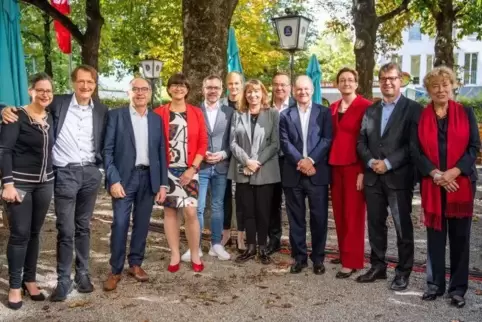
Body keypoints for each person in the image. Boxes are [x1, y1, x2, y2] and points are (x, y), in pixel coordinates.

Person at [1, 65, 108, 301]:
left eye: (90, 82)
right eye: (81, 81)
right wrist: (2, 109)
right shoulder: (57, 103)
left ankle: (82, 275)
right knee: (65, 229)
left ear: (95, 85)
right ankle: (63, 280)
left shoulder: (101, 110)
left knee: (83, 228)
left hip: (89, 174)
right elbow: (26, 109)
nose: (85, 86)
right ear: (73, 83)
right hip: (63, 174)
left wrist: (101, 170)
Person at [412, 66, 480, 308]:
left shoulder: (466, 112)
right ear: (428, 90)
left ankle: (458, 288)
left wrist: (454, 172)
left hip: (460, 183)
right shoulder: (420, 116)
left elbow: (473, 147)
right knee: (435, 237)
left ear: (452, 86)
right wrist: (436, 173)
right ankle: (434, 284)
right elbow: (415, 151)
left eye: (445, 84)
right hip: (433, 183)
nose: (441, 89)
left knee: (460, 238)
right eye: (435, 86)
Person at [356, 62, 422, 290]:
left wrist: (389, 163)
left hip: (399, 178)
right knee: (375, 224)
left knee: (402, 226)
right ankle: (378, 266)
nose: (387, 82)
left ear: (400, 80)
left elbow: (412, 145)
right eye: (383, 78)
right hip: (373, 177)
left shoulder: (413, 109)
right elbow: (361, 141)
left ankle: (403, 272)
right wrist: (371, 161)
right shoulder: (371, 110)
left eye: (392, 78)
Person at [102, 78, 168, 291]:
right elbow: (107, 151)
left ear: (149, 92)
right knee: (120, 223)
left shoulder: (156, 119)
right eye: (135, 89)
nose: (140, 93)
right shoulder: (115, 116)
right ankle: (115, 269)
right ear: (128, 92)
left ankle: (136, 264)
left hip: (148, 178)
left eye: (144, 89)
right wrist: (113, 179)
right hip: (123, 179)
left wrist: (163, 184)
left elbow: (161, 153)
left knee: (142, 223)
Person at [0, 73, 55, 309]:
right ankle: (14, 286)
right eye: (40, 90)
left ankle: (29, 280)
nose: (45, 94)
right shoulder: (16, 116)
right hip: (20, 184)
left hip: (45, 184)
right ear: (31, 90)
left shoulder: (52, 117)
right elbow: (4, 150)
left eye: (49, 91)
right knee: (19, 234)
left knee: (35, 233)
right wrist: (8, 184)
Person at [154, 73, 208, 273]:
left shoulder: (196, 113)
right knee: (170, 212)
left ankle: (194, 252)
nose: (178, 89)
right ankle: (175, 253)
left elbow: (203, 143)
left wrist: (192, 168)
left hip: (190, 169)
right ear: (168, 89)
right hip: (166, 170)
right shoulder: (159, 113)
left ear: (187, 89)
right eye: (174, 85)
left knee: (191, 212)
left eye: (182, 86)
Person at [279, 75, 332, 275]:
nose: (302, 92)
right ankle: (299, 258)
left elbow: (327, 139)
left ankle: (318, 258)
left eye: (306, 89)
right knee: (296, 219)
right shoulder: (285, 115)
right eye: (299, 89)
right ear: (294, 91)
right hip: (293, 173)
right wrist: (301, 162)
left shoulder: (324, 113)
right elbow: (284, 142)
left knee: (319, 218)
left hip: (317, 173)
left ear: (312, 90)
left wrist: (311, 161)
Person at [181, 75, 233, 262]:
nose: (213, 91)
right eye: (209, 87)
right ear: (203, 89)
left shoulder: (229, 112)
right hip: (199, 167)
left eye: (216, 88)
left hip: (221, 165)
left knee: (218, 206)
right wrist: (201, 155)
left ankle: (216, 244)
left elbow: (232, 140)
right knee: (198, 207)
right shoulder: (193, 111)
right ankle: (195, 246)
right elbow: (188, 139)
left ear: (221, 90)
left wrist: (223, 154)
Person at [227, 79, 280, 264]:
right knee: (247, 211)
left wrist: (256, 162)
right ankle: (250, 247)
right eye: (249, 91)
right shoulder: (238, 114)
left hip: (265, 170)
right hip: (243, 169)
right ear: (245, 94)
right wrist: (247, 161)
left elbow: (275, 143)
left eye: (256, 91)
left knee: (263, 211)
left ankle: (263, 248)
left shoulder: (272, 113)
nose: (253, 95)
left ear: (263, 93)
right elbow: (232, 143)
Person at [328, 68, 372, 278]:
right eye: (342, 80)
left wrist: (364, 171)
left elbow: (369, 141)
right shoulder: (333, 107)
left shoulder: (366, 106)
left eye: (350, 80)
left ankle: (353, 260)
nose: (346, 83)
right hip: (336, 166)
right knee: (338, 212)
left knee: (353, 214)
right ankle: (344, 252)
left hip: (355, 167)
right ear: (337, 84)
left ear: (356, 84)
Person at [267, 72, 295, 256]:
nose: (280, 88)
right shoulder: (265, 106)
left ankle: (296, 242)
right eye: (276, 84)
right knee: (272, 202)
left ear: (290, 87)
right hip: (269, 161)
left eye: (283, 85)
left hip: (290, 161)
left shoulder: (296, 105)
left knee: (293, 203)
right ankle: (274, 240)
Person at [220, 71, 245, 250]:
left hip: (243, 158)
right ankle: (226, 232)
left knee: (243, 198)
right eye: (230, 84)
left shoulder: (249, 103)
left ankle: (242, 235)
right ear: (226, 85)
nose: (234, 87)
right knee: (225, 197)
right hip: (224, 158)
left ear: (241, 84)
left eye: (237, 83)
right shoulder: (220, 104)